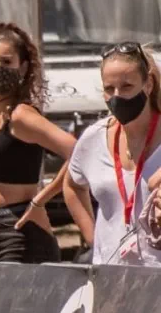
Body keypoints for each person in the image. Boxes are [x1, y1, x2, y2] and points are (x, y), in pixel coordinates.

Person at [0, 23, 76, 263]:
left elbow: (79, 151)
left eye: (7, 62)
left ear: (23, 67)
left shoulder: (21, 115)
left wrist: (42, 199)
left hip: (18, 228)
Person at [65, 43, 161, 265]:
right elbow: (72, 185)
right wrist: (94, 240)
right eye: (109, 89)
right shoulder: (93, 139)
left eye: (127, 86)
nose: (117, 96)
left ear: (148, 84)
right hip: (110, 278)